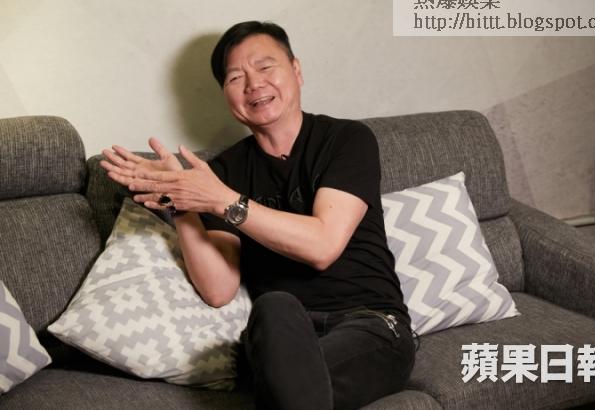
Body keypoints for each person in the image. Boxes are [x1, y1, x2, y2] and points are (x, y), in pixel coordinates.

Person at [100, 20, 416, 410]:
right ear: (226, 94)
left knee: (291, 384)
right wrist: (179, 200)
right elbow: (218, 290)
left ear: (296, 70)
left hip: (371, 324)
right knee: (275, 306)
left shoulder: (346, 140)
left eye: (265, 67)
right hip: (278, 334)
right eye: (236, 77)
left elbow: (323, 246)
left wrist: (221, 201)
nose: (253, 84)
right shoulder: (222, 173)